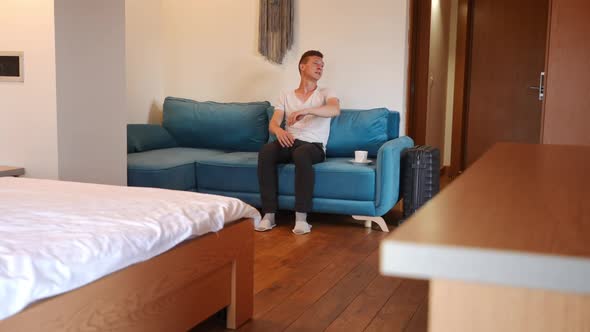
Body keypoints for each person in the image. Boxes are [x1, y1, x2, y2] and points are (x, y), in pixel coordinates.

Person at [256, 50, 341, 235]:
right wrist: (278, 130)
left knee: (301, 154)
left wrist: (308, 110)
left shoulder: (326, 93)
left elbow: (334, 110)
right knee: (266, 151)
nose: (321, 67)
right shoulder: (286, 95)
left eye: (322, 65)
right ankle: (269, 215)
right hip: (290, 141)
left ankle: (301, 218)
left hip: (314, 146)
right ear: (303, 66)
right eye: (316, 63)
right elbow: (274, 122)